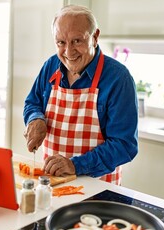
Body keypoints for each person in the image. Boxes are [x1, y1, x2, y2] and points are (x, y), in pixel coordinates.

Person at [23, 5, 138, 185]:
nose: (69, 52)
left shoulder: (118, 78)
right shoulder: (50, 66)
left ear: (95, 36)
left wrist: (75, 165)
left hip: (98, 189)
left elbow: (124, 145)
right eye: (61, 42)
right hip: (50, 184)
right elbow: (32, 102)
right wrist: (35, 119)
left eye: (77, 41)